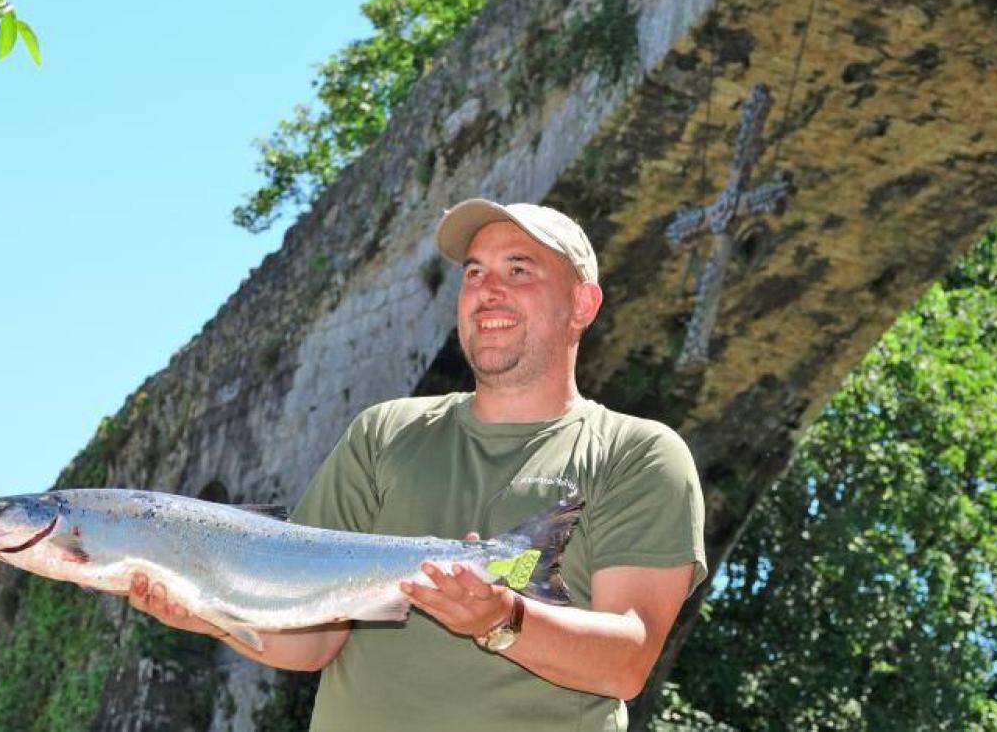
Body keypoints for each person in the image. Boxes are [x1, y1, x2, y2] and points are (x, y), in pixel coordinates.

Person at [128, 198, 707, 731]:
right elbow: (311, 644)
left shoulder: (640, 454)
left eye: (519, 269)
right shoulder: (383, 433)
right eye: (474, 272)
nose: (488, 290)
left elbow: (626, 663)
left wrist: (501, 619)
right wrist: (208, 611)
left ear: (582, 304)